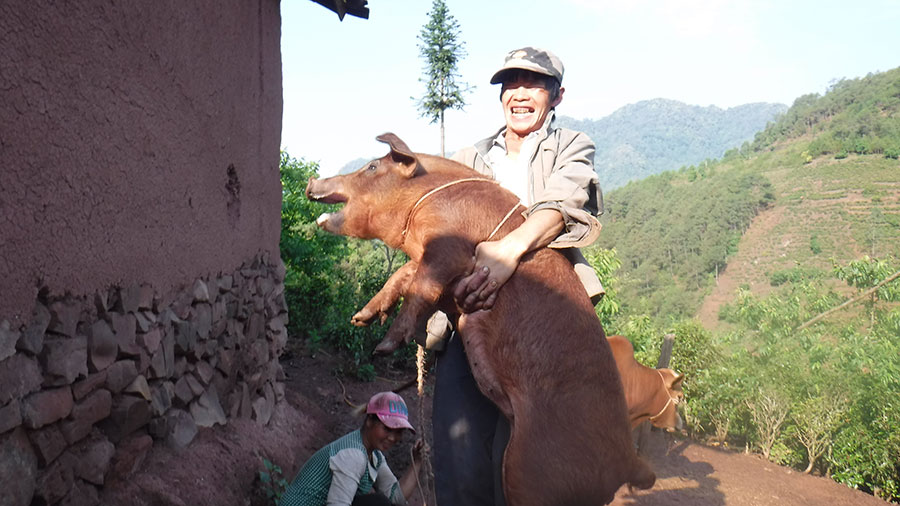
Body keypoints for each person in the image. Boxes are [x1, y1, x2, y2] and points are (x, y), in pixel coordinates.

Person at [429, 46, 605, 506]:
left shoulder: (572, 146)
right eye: (511, 84)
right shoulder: (469, 157)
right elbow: (443, 228)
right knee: (459, 462)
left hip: (543, 330)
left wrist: (508, 252)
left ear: (556, 96)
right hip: (471, 320)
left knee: (522, 468)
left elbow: (562, 205)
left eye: (534, 84)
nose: (520, 94)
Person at [279, 392, 424, 506]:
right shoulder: (353, 455)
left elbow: (396, 497)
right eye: (387, 429)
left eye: (398, 432)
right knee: (378, 503)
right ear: (369, 421)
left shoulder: (374, 455)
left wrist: (417, 461)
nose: (392, 438)